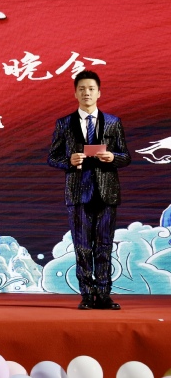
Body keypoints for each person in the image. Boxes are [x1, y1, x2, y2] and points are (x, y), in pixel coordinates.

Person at [48, 70, 130, 310]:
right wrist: (69, 161)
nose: (87, 93)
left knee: (104, 245)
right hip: (78, 193)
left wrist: (113, 157)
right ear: (75, 93)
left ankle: (103, 294)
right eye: (82, 89)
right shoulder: (64, 123)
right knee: (82, 247)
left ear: (99, 93)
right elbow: (52, 157)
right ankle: (86, 294)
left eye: (91, 89)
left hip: (107, 193)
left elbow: (126, 156)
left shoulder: (113, 122)